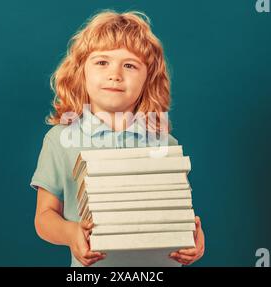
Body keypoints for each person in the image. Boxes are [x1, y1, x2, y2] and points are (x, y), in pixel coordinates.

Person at [30, 10, 205, 267]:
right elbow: (44, 217)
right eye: (102, 62)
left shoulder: (164, 142)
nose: (115, 74)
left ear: (149, 79)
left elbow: (177, 213)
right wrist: (71, 233)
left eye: (130, 65)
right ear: (81, 72)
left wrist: (195, 237)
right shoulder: (61, 139)